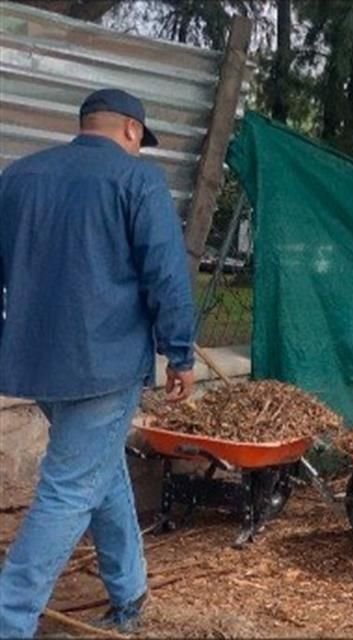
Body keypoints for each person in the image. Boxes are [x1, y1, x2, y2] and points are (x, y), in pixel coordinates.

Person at [0, 88, 196, 636]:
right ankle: (9, 621)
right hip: (102, 365)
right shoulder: (138, 180)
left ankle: (130, 595)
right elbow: (165, 273)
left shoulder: (17, 178)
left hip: (35, 365)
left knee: (99, 469)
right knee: (68, 488)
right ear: (132, 131)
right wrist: (179, 353)